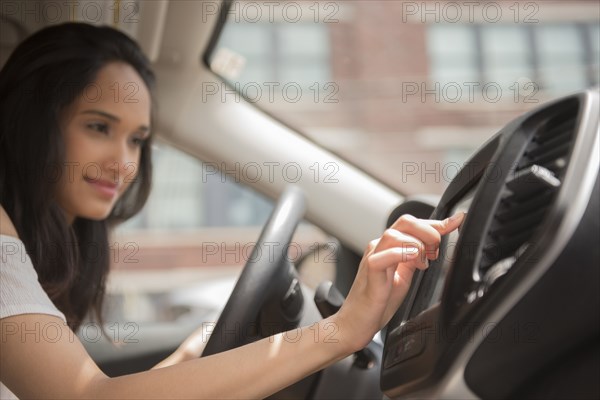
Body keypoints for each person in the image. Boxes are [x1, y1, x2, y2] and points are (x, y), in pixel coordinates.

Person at [0, 22, 464, 399]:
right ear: (33, 123)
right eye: (99, 126)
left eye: (138, 139)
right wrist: (342, 331)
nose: (123, 162)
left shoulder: (46, 253)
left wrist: (196, 350)